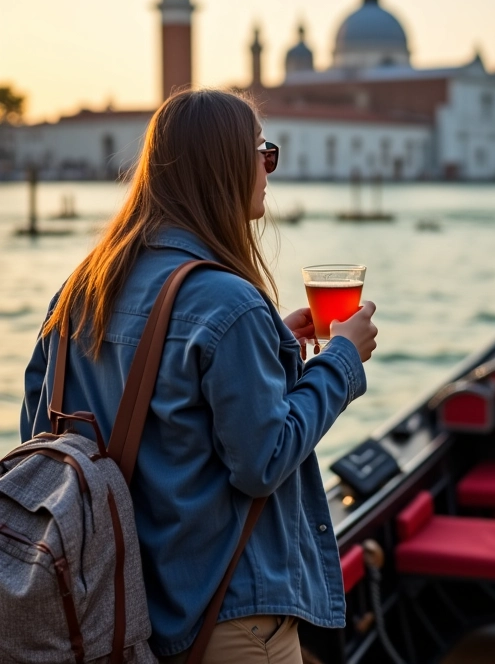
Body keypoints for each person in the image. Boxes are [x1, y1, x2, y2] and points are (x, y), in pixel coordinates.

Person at [20, 88, 378, 663]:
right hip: (223, 622)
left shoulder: (80, 288)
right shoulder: (230, 303)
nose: (268, 169)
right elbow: (262, 461)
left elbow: (42, 438)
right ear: (226, 167)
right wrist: (341, 362)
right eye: (263, 153)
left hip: (109, 615)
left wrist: (271, 345)